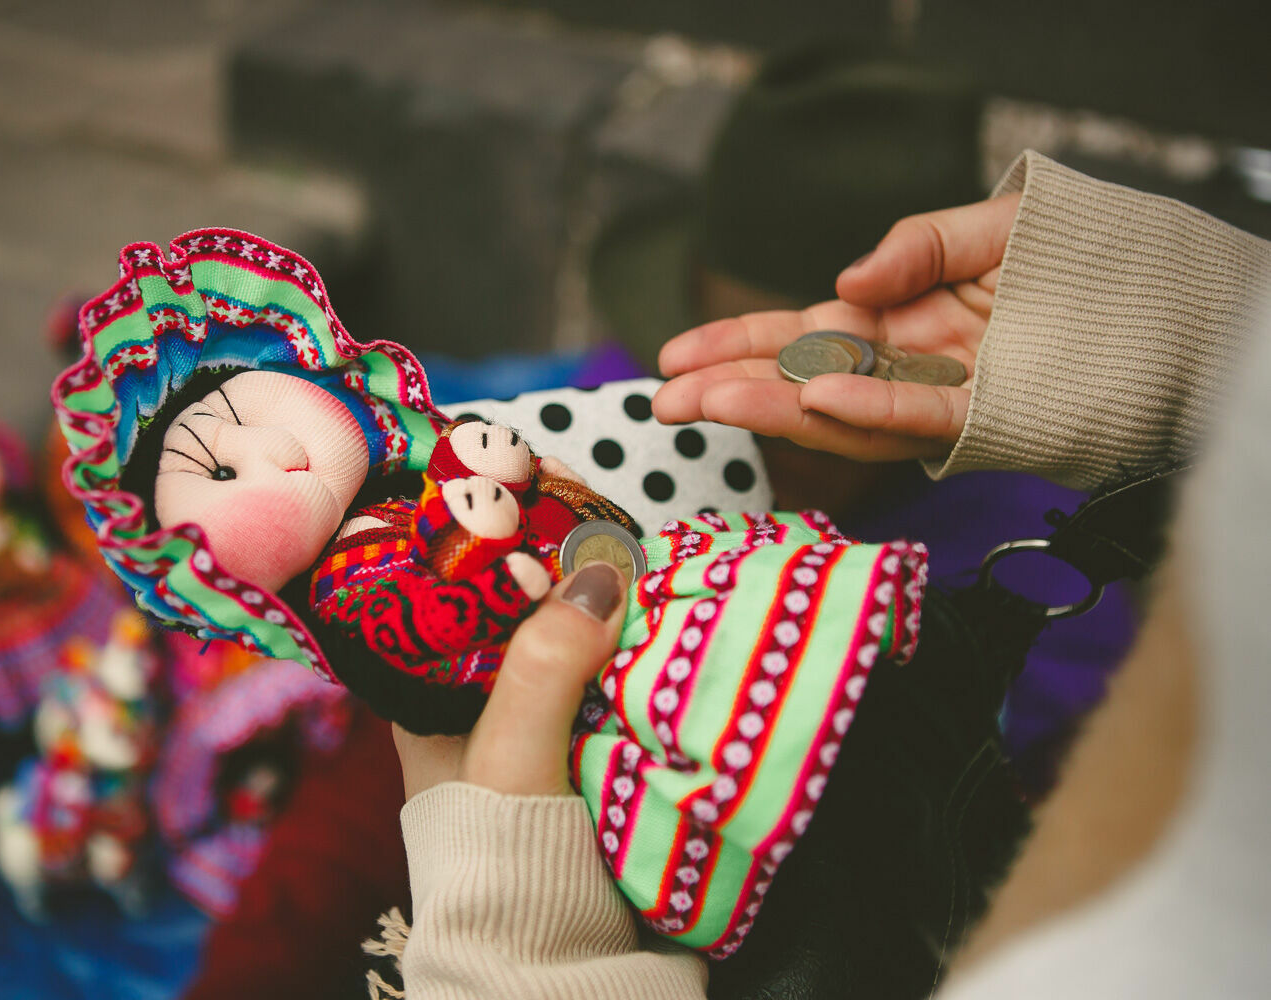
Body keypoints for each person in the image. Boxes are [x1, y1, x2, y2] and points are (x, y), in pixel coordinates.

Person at [391, 150, 1271, 998]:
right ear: (689, 293)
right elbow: (470, 397)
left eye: (817, 348)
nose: (784, 418)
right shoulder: (626, 393)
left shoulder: (1029, 528)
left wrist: (515, 960)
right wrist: (1218, 330)